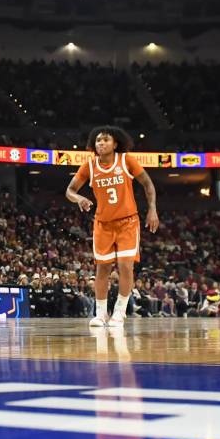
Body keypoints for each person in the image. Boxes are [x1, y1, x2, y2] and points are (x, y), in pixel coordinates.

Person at [66, 126, 159, 328]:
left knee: (125, 267)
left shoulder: (126, 160)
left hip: (128, 223)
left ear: (115, 143)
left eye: (106, 140)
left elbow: (148, 184)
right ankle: (100, 314)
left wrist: (152, 209)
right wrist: (79, 198)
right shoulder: (89, 166)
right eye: (98, 140)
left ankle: (119, 312)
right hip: (103, 224)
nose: (101, 143)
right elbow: (70, 190)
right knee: (103, 269)